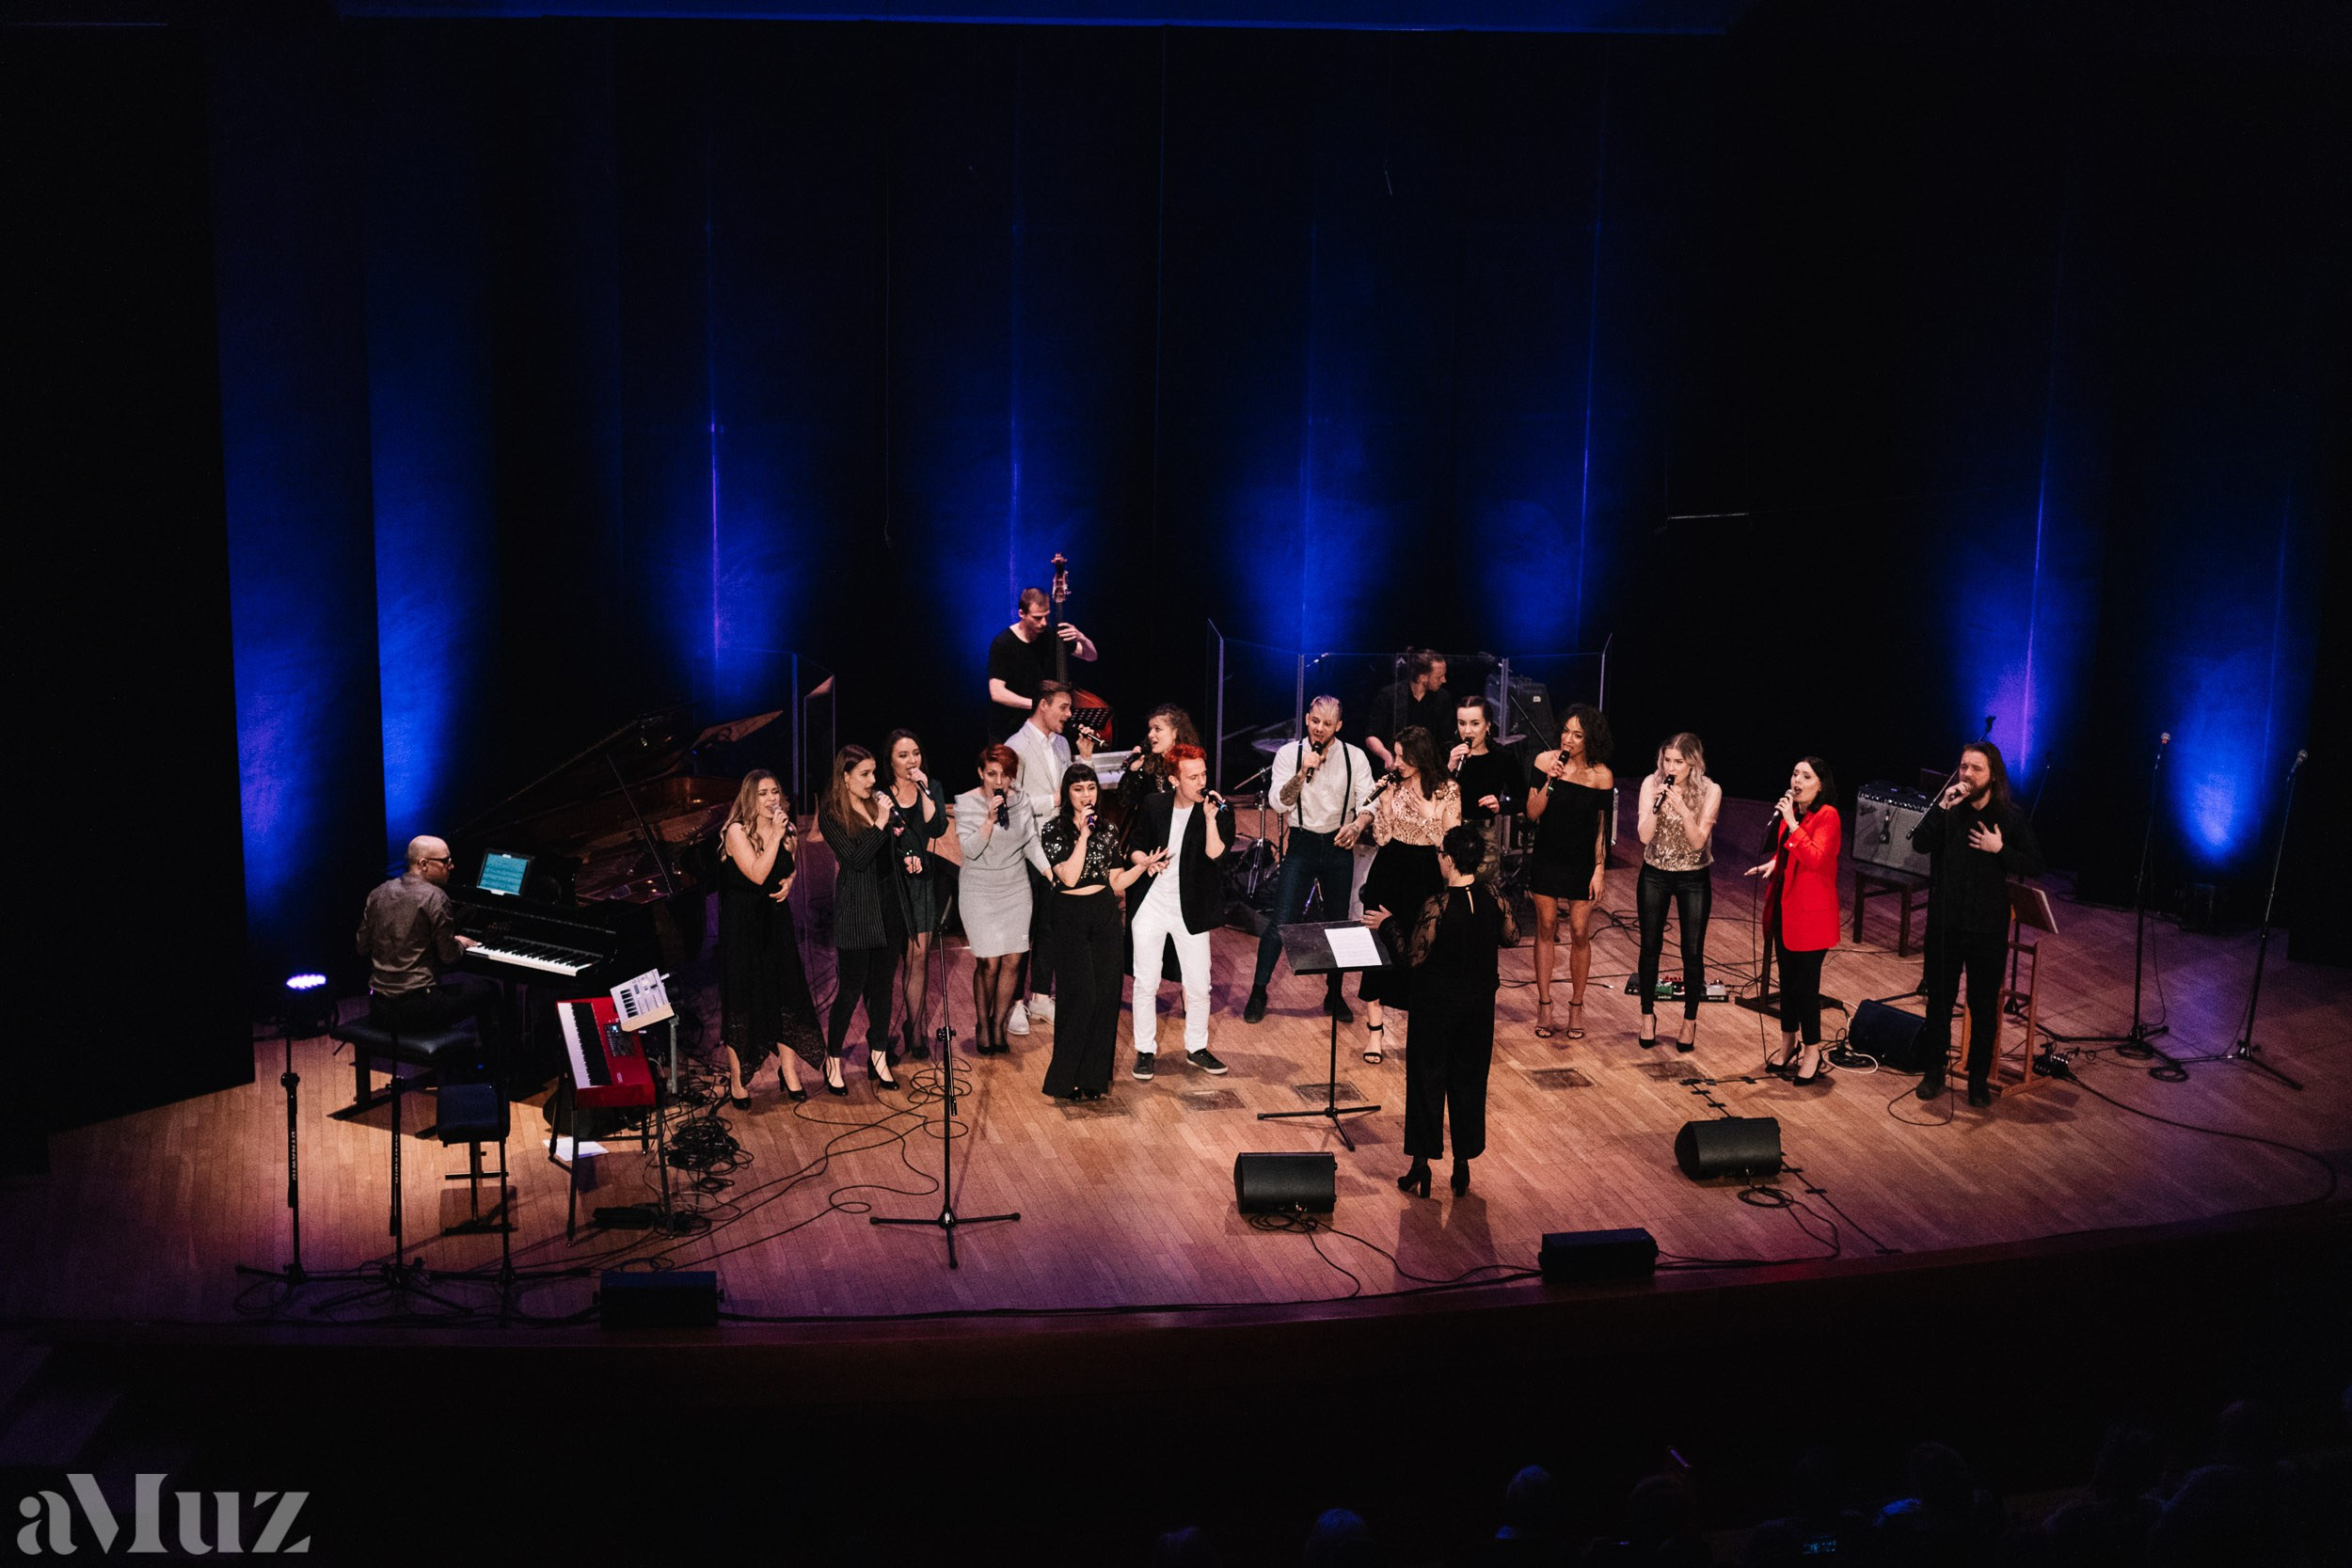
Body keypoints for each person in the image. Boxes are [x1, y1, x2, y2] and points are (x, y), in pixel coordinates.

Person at [1909, 740, 2042, 1105]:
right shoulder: (1950, 809)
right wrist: (1940, 806)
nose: (1967, 774)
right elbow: (1919, 844)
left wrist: (2001, 851)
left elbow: (2035, 864)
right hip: (1945, 925)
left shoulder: (2009, 817)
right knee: (1939, 1001)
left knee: (1983, 1007)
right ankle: (1934, 1072)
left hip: (1987, 930)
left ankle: (1978, 1080)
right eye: (1964, 766)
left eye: (1976, 769)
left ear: (1992, 775)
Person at [1396, 824, 1518, 1198]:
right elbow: (1511, 937)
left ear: (1448, 860)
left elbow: (1413, 956)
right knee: (1468, 1083)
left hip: (1435, 1008)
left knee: (1425, 1080)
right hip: (1478, 1010)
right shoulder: (1493, 897)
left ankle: (1421, 1165)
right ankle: (1461, 1167)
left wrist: (1389, 927)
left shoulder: (1438, 904)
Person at [1245, 696, 1375, 1025]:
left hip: (1337, 845)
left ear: (1338, 726)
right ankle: (1259, 991)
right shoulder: (1290, 754)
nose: (1320, 729)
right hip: (1302, 844)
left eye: (1327, 724)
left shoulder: (1354, 757)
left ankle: (1334, 993)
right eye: (1315, 721)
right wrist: (1303, 772)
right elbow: (1279, 803)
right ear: (1307, 719)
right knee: (1281, 921)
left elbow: (1369, 801)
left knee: (1337, 924)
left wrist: (1358, 825)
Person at [1038, 763, 1152, 1100]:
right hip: (1070, 913)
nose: (1086, 795)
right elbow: (1069, 877)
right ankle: (1064, 1079)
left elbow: (1115, 880)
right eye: (1078, 789)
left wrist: (1142, 867)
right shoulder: (1053, 831)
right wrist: (1083, 837)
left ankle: (1092, 1080)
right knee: (1081, 997)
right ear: (1066, 794)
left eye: (1090, 788)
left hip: (1103, 913)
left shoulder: (1109, 829)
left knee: (1105, 998)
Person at [1351, 724, 1462, 1061]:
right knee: (1378, 950)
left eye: (1403, 756)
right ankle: (1374, 1033)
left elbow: (1451, 843)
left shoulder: (1448, 790)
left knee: (1418, 951)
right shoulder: (1394, 787)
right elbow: (1383, 838)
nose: (1395, 763)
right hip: (1389, 870)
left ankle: (1422, 1029)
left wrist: (1429, 816)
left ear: (1422, 756)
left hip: (1425, 873)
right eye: (1395, 755)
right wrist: (1384, 806)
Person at [1124, 744, 1234, 1081]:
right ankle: (1145, 1050)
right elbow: (1134, 847)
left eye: (1203, 774)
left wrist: (1211, 820)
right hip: (1153, 903)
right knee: (1146, 981)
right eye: (1193, 776)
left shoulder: (1217, 810)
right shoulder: (1154, 805)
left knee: (1199, 983)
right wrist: (1145, 862)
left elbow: (1216, 856)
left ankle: (1196, 1048)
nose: (1201, 781)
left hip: (1191, 908)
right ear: (1174, 779)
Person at [715, 770, 820, 1107]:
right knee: (743, 998)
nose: (772, 799)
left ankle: (788, 1072)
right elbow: (758, 873)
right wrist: (775, 835)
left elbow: (784, 868)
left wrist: (790, 880)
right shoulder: (735, 832)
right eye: (763, 794)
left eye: (775, 791)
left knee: (786, 992)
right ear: (750, 798)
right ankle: (738, 1080)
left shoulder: (785, 830)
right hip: (742, 925)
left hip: (776, 922)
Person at [353, 834, 504, 1069]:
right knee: (488, 990)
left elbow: (361, 946)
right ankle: (495, 1070)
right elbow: (449, 956)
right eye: (445, 861)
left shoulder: (378, 893)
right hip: (417, 1010)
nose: (451, 866)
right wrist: (460, 942)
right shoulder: (435, 897)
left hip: (380, 1008)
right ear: (423, 864)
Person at [1004, 681, 1096, 1037]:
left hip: (1059, 844)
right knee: (1025, 925)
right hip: (1029, 847)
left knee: (1051, 924)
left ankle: (1041, 996)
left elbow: (1075, 787)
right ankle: (1013, 1003)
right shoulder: (1016, 746)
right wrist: (1053, 800)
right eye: (1064, 707)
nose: (1069, 715)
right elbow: (1013, 801)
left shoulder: (1060, 744)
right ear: (1042, 706)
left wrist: (1084, 758)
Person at [1744, 756, 1842, 1085]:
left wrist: (1792, 821)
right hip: (1785, 910)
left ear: (1821, 784)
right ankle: (1789, 1044)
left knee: (1805, 987)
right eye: (1795, 773)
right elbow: (1790, 851)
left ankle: (1812, 1050)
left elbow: (1815, 858)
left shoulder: (1828, 816)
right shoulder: (1794, 816)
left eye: (1806, 776)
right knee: (1786, 983)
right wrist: (1774, 863)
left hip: (1812, 917)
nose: (1797, 780)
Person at [1523, 705, 1613, 1041]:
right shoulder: (1545, 762)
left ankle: (1577, 1005)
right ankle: (1545, 1004)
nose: (1569, 739)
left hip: (1582, 861)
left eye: (1577, 734)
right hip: (1548, 854)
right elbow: (1532, 814)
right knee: (1546, 926)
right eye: (1566, 731)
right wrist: (1550, 782)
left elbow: (1602, 829)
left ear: (1590, 738)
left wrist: (1600, 869)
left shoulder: (1601, 775)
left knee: (1579, 930)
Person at [816, 745, 901, 1096]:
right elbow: (855, 860)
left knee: (882, 987)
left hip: (887, 909)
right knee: (851, 989)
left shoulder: (873, 805)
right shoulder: (832, 813)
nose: (873, 780)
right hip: (856, 912)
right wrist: (881, 824)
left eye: (873, 773)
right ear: (846, 778)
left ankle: (878, 1054)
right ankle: (832, 1057)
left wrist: (899, 842)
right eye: (865, 774)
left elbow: (886, 854)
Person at [1634, 732, 1723, 1052]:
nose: (1670, 767)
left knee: (1692, 950)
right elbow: (1644, 837)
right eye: (1667, 760)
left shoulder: (1710, 790)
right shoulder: (1651, 784)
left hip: (1693, 877)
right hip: (1655, 872)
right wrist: (1657, 808)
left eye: (1678, 762)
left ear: (1692, 764)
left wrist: (1683, 808)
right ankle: (1647, 1016)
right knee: (1649, 945)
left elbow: (1699, 841)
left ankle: (1689, 1021)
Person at [953, 744, 1041, 1056]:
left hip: (1015, 887)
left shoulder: (1022, 801)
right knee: (989, 962)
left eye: (1005, 775)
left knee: (1014, 959)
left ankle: (999, 1023)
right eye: (992, 774)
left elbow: (1030, 840)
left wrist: (1048, 870)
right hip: (980, 890)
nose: (998, 781)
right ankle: (982, 1024)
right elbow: (970, 850)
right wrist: (989, 820)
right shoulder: (965, 803)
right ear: (981, 773)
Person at [880, 729, 950, 1061]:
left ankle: (917, 1029)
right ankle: (884, 1033)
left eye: (916, 753)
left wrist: (923, 790)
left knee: (918, 957)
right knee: (891, 960)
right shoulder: (880, 793)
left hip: (921, 883)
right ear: (890, 760)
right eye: (903, 755)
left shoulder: (931, 786)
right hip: (890, 884)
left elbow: (936, 828)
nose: (911, 760)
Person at [986, 586, 1096, 739]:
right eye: (1037, 617)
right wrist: (1037, 704)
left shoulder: (1051, 635)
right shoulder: (1004, 643)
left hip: (1045, 727)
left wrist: (1081, 637)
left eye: (1046, 616)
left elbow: (1091, 656)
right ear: (1022, 614)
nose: (1044, 623)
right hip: (1012, 727)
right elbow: (997, 692)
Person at [1113, 703, 1202, 852]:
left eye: (1158, 729)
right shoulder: (1148, 766)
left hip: (1186, 839)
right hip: (1153, 844)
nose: (1150, 735)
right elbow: (1125, 800)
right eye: (1150, 729)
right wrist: (1133, 771)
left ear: (1175, 733)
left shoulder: (1193, 764)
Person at [1449, 694, 1523, 869]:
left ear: (1488, 725)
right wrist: (1450, 766)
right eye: (1462, 723)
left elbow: (1523, 799)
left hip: (1483, 836)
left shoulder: (1502, 758)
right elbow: (1430, 794)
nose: (1467, 731)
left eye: (1475, 723)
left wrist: (1500, 807)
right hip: (1449, 834)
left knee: (1482, 891)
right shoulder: (1448, 752)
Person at [1364, 647, 1452, 771]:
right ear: (1423, 678)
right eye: (1439, 677)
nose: (1444, 680)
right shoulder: (1390, 695)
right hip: (1396, 767)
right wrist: (1388, 756)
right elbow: (1371, 736)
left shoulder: (1443, 699)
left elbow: (1445, 740)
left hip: (1428, 770)